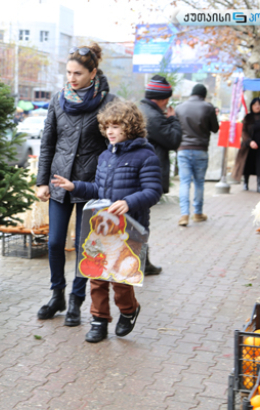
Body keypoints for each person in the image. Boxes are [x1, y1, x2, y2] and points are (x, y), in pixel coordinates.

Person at [51, 100, 163, 343]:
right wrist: (74, 186)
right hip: (102, 225)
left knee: (120, 279)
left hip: (129, 226)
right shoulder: (105, 156)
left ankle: (129, 310)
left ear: (130, 127)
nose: (110, 131)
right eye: (107, 127)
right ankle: (98, 320)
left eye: (116, 126)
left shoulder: (145, 155)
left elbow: (154, 190)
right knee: (97, 275)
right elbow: (97, 189)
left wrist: (130, 202)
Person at [36, 43, 116, 327]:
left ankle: (75, 301)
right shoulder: (59, 99)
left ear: (93, 72)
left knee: (85, 246)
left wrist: (109, 183)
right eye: (68, 72)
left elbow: (114, 147)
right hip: (59, 182)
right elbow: (48, 142)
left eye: (78, 73)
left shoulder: (109, 102)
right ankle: (57, 294)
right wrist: (42, 181)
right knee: (55, 242)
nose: (71, 78)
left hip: (89, 185)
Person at [138, 75, 182, 274]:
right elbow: (173, 140)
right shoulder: (154, 116)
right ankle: (141, 263)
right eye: (167, 100)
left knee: (139, 219)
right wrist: (173, 119)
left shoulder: (141, 109)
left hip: (139, 174)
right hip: (147, 176)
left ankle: (142, 262)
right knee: (141, 221)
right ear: (162, 99)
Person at [174, 84, 220, 227]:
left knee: (184, 182)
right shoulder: (208, 107)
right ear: (204, 95)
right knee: (199, 183)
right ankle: (198, 213)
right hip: (201, 150)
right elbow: (215, 129)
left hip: (183, 149)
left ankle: (184, 215)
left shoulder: (179, 107)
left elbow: (175, 128)